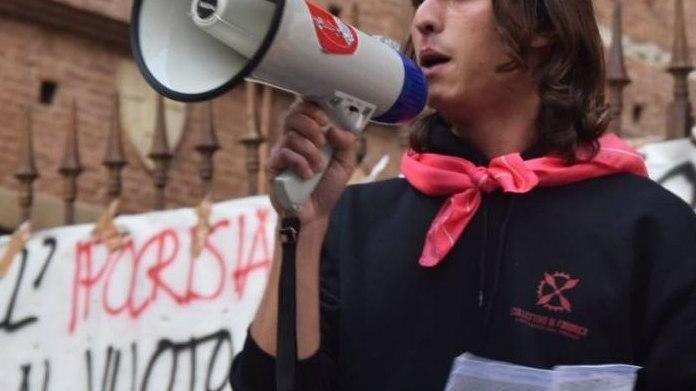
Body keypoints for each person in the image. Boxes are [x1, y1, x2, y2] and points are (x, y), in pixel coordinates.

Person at [230, 0, 696, 390]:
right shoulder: (352, 222)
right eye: (419, 3)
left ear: (542, 27)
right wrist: (303, 230)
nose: (424, 19)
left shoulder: (655, 232)